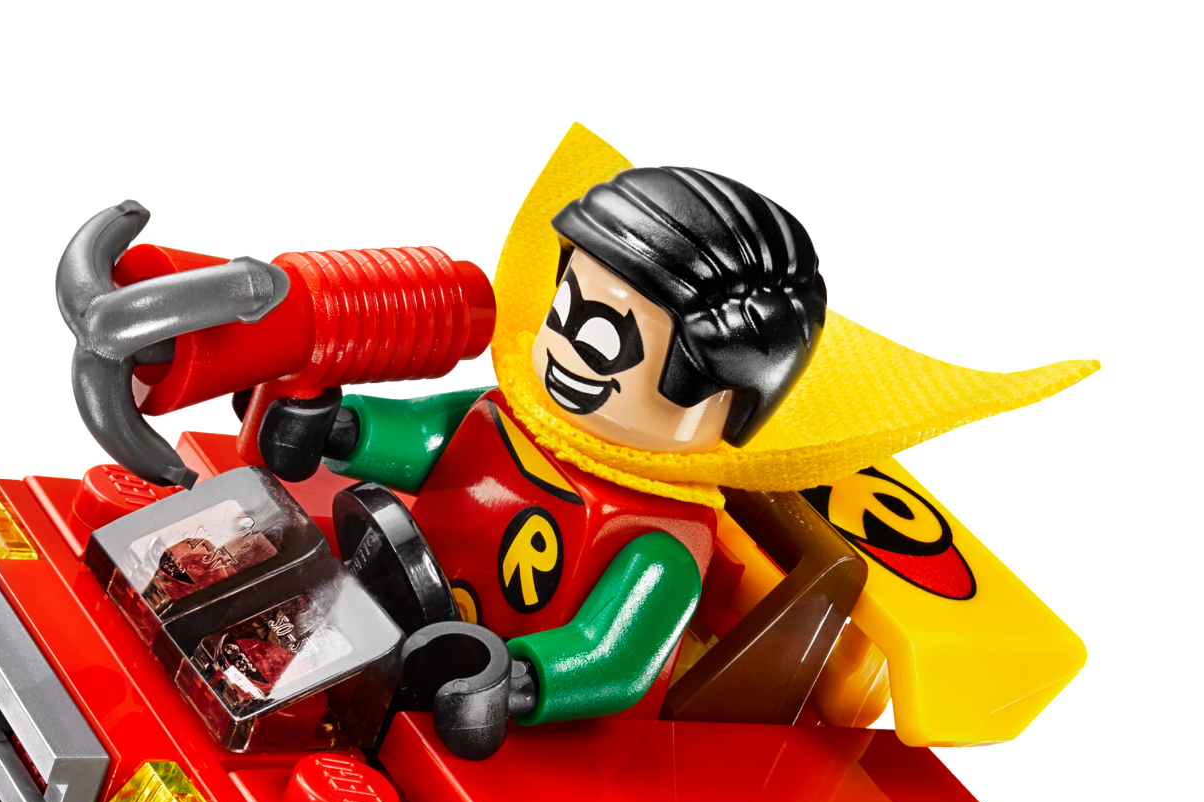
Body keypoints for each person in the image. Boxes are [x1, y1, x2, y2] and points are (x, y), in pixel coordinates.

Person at [255, 166, 828, 727]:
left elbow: (611, 655)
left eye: (603, 338)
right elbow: (423, 433)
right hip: (389, 606)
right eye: (565, 311)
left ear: (712, 389)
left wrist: (518, 683)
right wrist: (341, 429)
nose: (567, 347)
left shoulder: (662, 543)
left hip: (490, 710)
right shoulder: (510, 414)